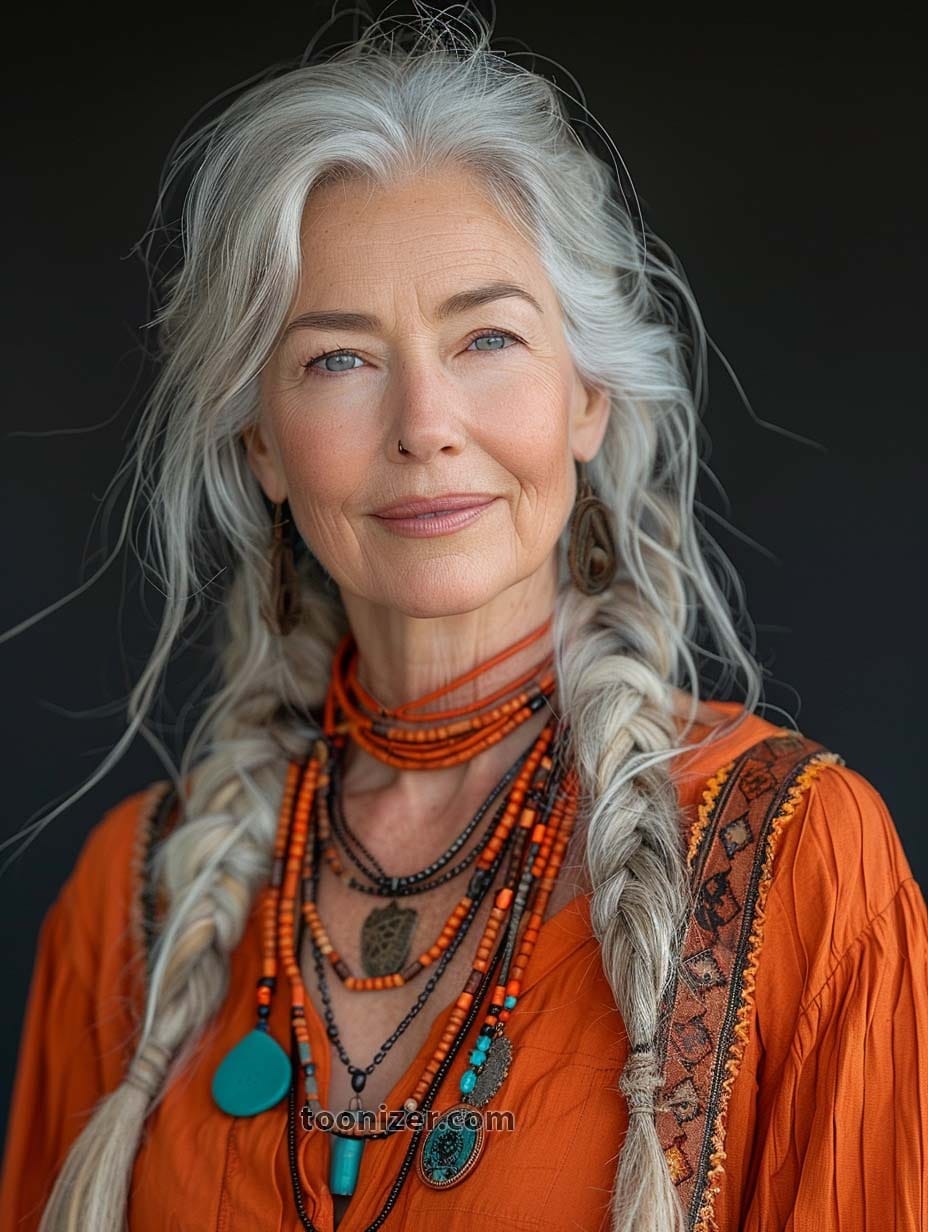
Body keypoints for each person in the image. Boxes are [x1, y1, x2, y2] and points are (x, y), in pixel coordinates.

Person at [2, 6, 926, 1231]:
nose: (425, 422)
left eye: (487, 336)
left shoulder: (796, 858)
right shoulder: (132, 901)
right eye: (339, 357)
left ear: (587, 394)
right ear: (260, 442)